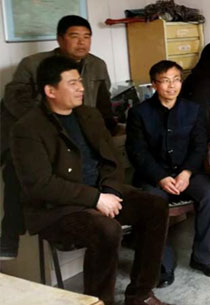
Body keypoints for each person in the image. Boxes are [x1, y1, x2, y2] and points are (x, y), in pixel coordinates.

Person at [10, 55, 171, 305]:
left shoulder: (89, 115)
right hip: (58, 209)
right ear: (50, 91)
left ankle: (140, 295)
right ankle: (98, 302)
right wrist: (95, 199)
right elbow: (41, 185)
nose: (81, 88)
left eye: (80, 81)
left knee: (155, 206)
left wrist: (108, 191)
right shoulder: (28, 128)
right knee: (106, 229)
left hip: (101, 192)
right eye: (72, 83)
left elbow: (112, 160)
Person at [0, 14, 114, 259]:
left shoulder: (97, 65)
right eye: (75, 36)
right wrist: (46, 123)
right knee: (16, 169)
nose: (82, 42)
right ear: (60, 39)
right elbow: (14, 98)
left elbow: (103, 103)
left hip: (80, 129)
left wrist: (109, 132)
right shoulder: (33, 64)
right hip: (42, 133)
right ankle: (10, 235)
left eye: (87, 37)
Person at [126, 60, 210, 287]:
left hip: (187, 173)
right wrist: (160, 177)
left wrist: (186, 173)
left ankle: (202, 256)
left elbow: (199, 146)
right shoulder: (139, 113)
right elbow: (137, 152)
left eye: (176, 80)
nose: (172, 86)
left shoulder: (193, 109)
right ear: (154, 84)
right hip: (154, 177)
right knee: (153, 204)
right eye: (165, 81)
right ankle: (163, 264)